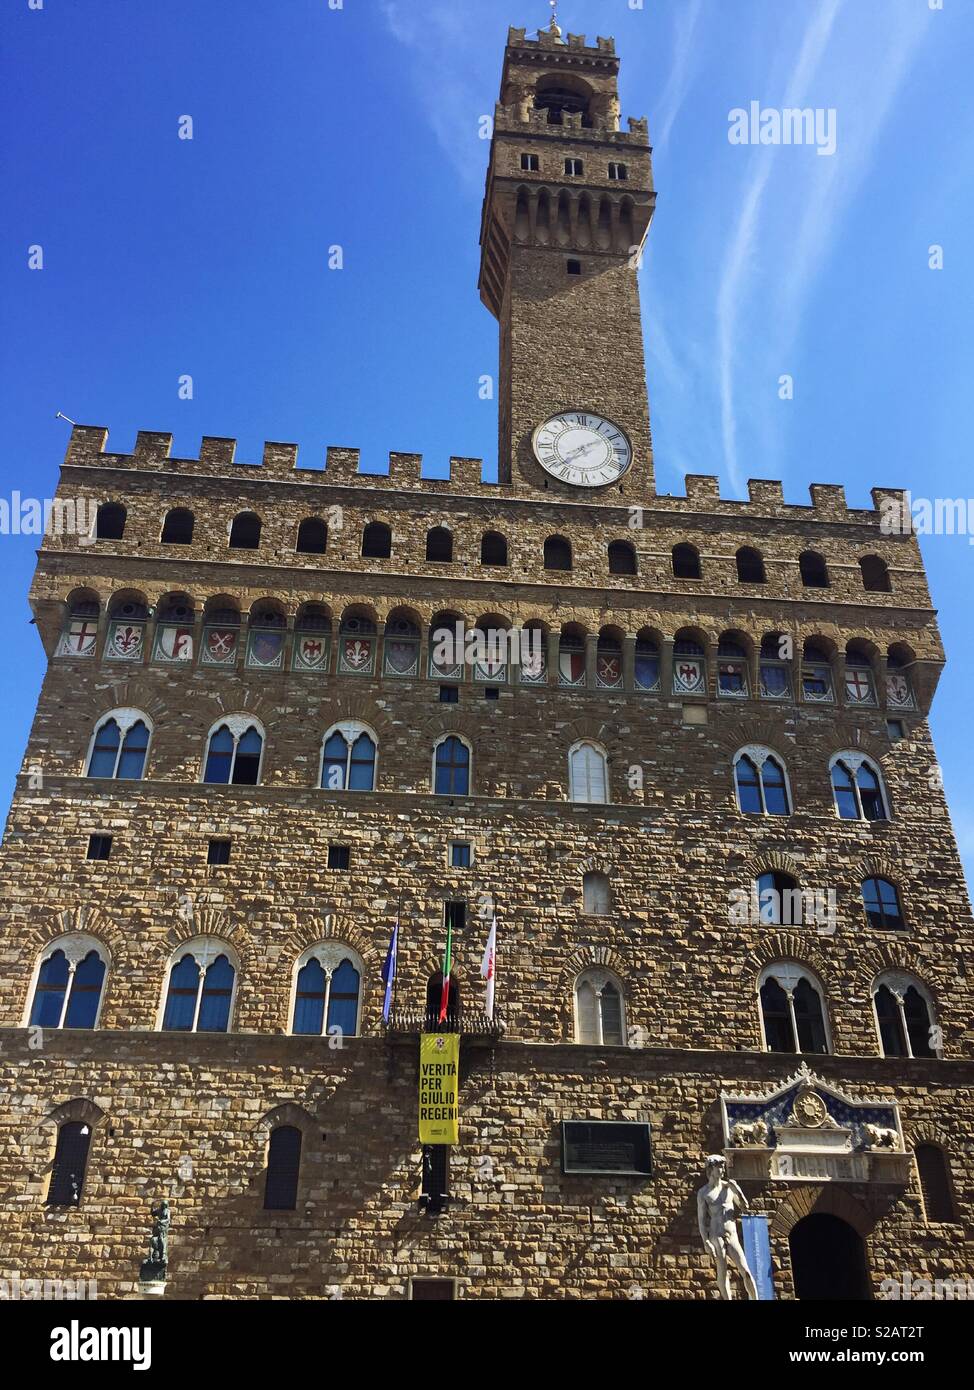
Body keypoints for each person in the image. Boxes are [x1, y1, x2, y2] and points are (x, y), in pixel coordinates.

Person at [696, 1155, 758, 1300]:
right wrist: (706, 1242)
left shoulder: (729, 1188)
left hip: (732, 1235)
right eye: (719, 1167)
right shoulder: (704, 1193)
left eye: (723, 1166)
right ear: (711, 1169)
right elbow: (701, 1220)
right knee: (723, 1272)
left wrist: (738, 1191)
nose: (722, 1169)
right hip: (716, 1235)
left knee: (745, 1271)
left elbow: (744, 1207)